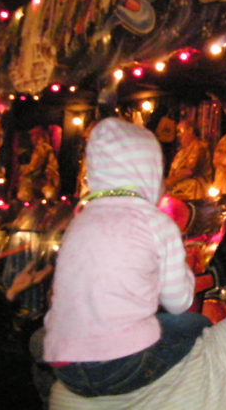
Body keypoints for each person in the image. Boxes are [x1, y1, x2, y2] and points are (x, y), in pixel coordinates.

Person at [49, 125, 226, 410]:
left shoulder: (64, 397)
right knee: (190, 324)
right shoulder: (217, 366)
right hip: (156, 364)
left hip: (73, 361)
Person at [43, 117, 206, 398]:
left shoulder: (79, 221)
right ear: (151, 170)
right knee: (197, 326)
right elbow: (179, 302)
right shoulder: (156, 222)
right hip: (119, 365)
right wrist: (186, 272)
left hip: (65, 365)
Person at [164, 120, 213, 200]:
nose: (178, 135)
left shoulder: (199, 146)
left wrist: (170, 181)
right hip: (177, 190)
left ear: (190, 130)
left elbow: (190, 170)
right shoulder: (181, 152)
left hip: (193, 193)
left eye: (180, 131)